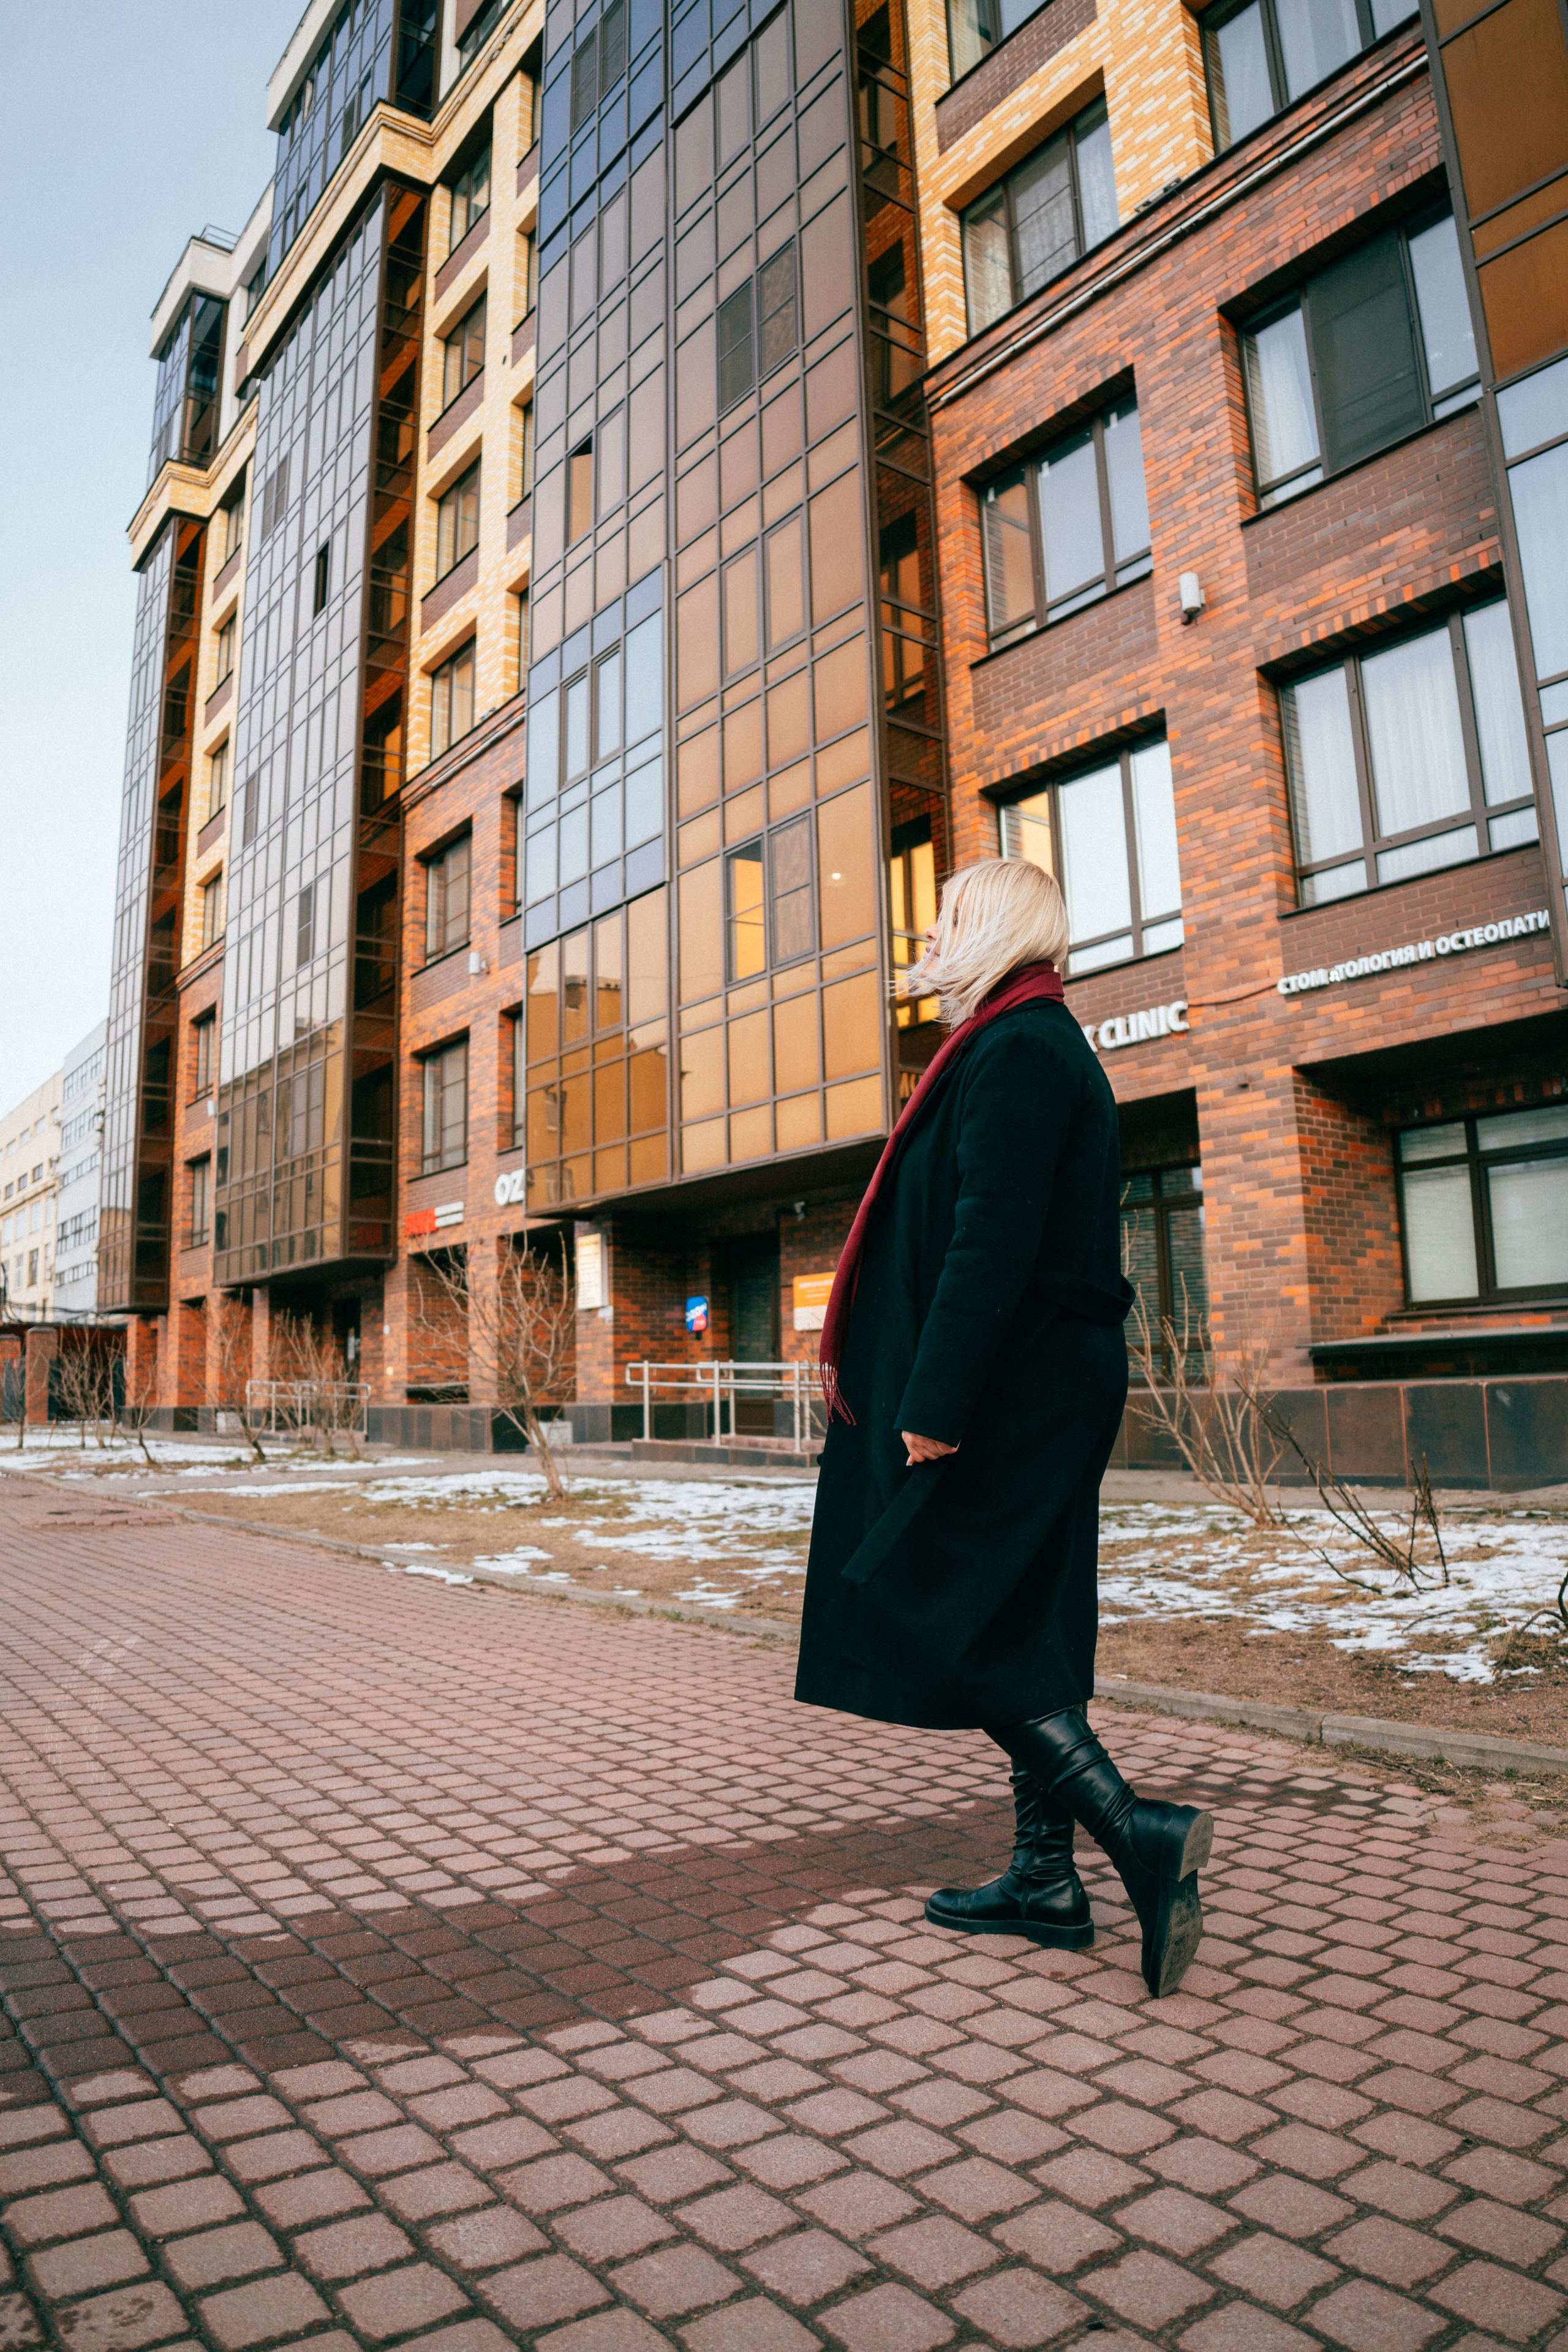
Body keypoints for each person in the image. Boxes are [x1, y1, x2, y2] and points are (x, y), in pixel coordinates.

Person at [795, 857, 1212, 1999]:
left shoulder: (1024, 1049)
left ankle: (1136, 1832)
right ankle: (1044, 1879)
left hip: (1010, 1386)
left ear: (995, 928)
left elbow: (991, 1238)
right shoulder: (1018, 1042)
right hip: (1032, 1379)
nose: (935, 937)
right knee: (1022, 1617)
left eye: (949, 917)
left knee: (930, 1604)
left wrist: (933, 1405)